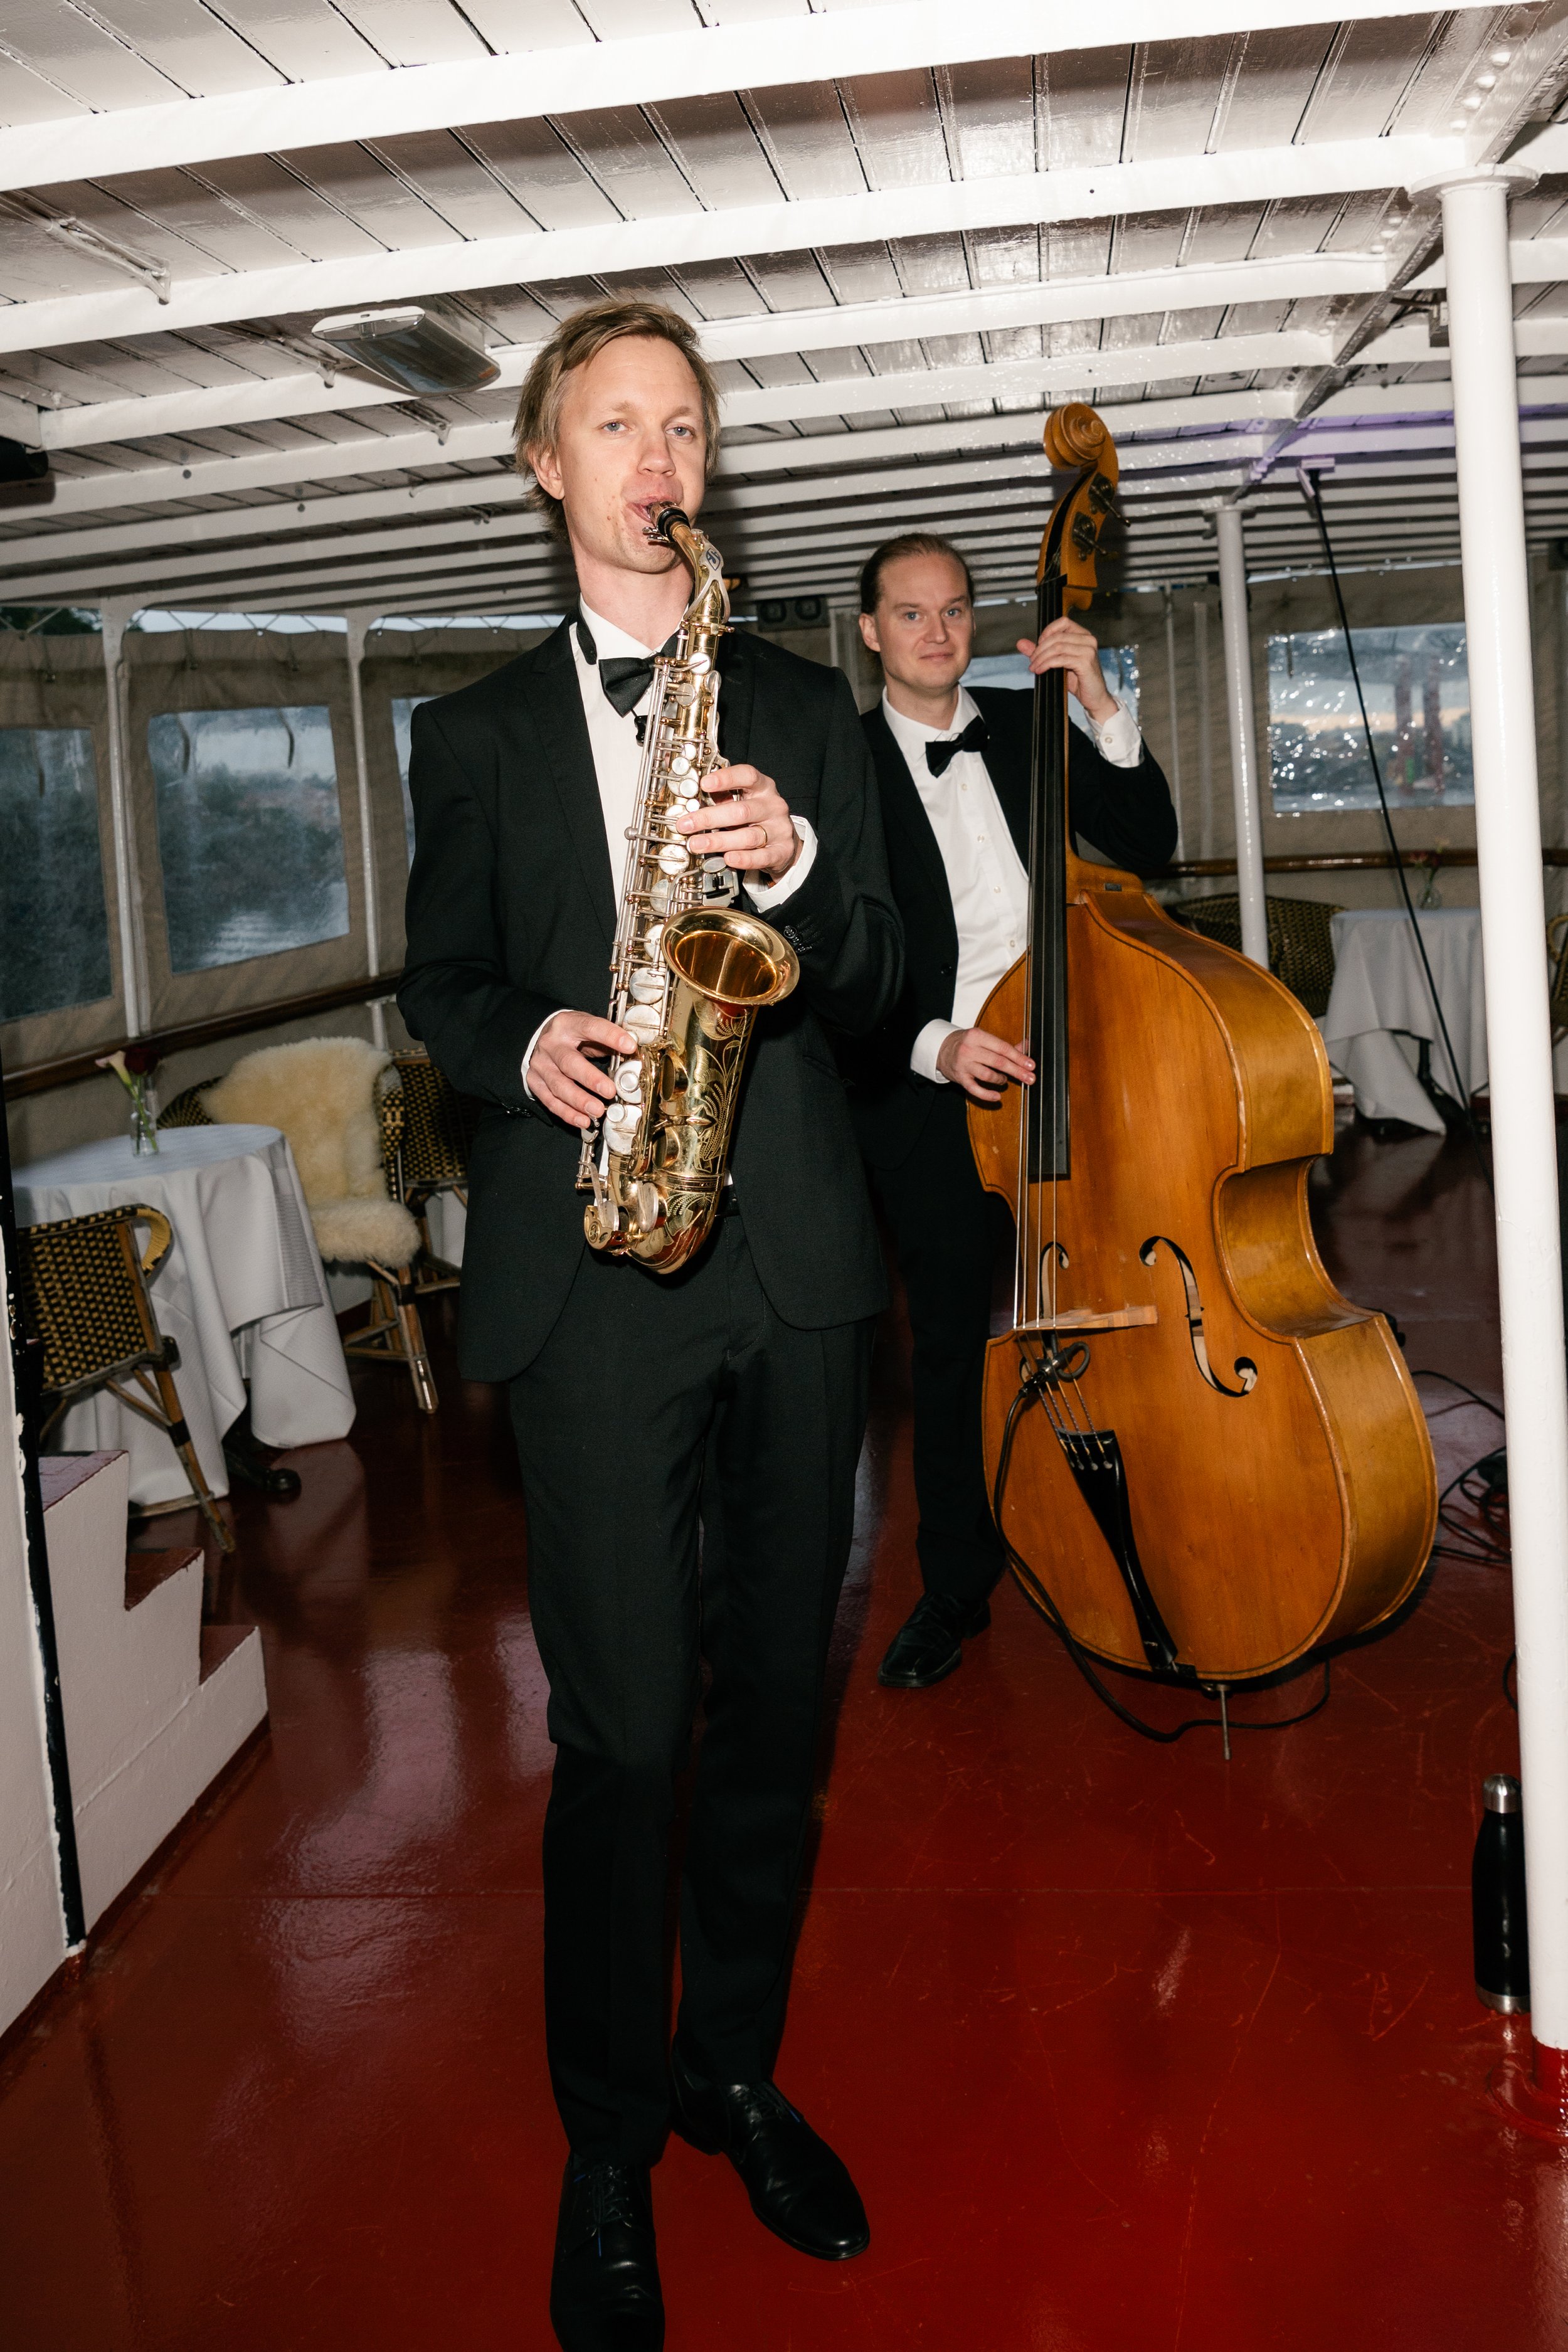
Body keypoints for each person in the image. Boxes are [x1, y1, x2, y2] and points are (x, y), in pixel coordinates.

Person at [398, 299, 902, 2352]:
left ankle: (733, 2069)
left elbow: (869, 980)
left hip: (786, 1270)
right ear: (544, 463)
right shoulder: (476, 732)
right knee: (620, 1742)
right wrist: (522, 1040)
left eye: (685, 425)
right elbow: (436, 986)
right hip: (593, 1277)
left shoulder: (800, 704)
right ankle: (609, 2141)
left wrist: (790, 873)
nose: (660, 456)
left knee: (774, 1717)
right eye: (617, 424)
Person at [850, 532, 1178, 1691]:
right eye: (911, 614)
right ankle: (955, 1590)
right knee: (948, 1346)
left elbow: (1153, 844)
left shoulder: (1032, 718)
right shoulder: (841, 765)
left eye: (953, 610)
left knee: (1124, 1306)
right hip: (932, 1090)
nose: (938, 633)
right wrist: (940, 1044)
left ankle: (1161, 1533)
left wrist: (1097, 700)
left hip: (1072, 1068)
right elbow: (833, 962)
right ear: (871, 632)